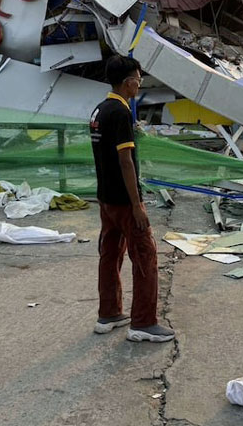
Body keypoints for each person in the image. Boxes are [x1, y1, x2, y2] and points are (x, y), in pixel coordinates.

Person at [89, 55, 175, 343]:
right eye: (138, 79)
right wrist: (137, 204)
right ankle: (143, 322)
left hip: (106, 198)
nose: (139, 84)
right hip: (124, 201)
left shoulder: (100, 110)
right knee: (145, 257)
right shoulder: (121, 113)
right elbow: (125, 160)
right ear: (129, 82)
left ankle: (109, 312)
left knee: (110, 254)